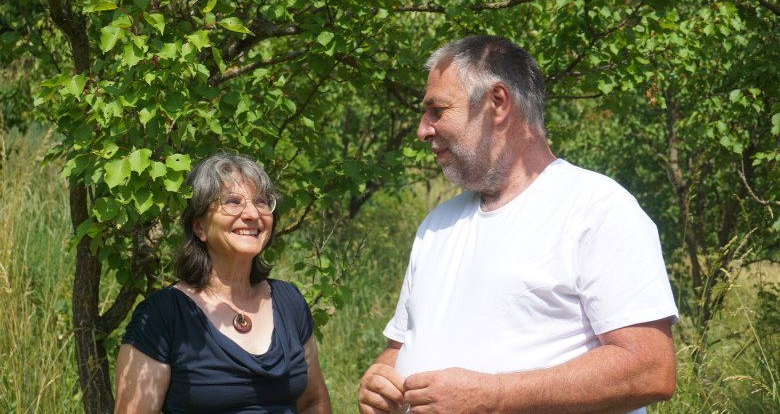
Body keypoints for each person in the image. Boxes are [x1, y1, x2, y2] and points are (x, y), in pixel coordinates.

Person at [358, 35, 678, 414]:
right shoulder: (436, 224)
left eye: (437, 110)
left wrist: (493, 397)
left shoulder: (596, 209)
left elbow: (651, 369)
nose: (423, 130)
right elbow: (402, 346)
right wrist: (380, 376)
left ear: (497, 103)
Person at [115, 153, 331, 413]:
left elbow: (313, 402)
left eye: (261, 202)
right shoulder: (162, 316)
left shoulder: (289, 302)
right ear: (199, 227)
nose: (252, 213)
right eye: (232, 201)